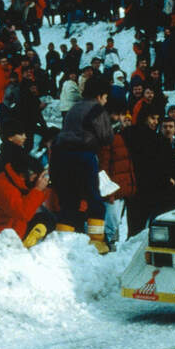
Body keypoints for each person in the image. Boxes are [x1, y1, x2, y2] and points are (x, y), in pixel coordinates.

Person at [50, 74, 114, 253]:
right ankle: (97, 243)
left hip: (61, 156)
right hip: (83, 156)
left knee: (70, 201)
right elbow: (106, 137)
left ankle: (63, 241)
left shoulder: (73, 108)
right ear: (101, 95)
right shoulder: (97, 109)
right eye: (106, 97)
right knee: (94, 199)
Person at [0, 155, 52, 248]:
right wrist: (38, 189)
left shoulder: (13, 181)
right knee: (45, 221)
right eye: (35, 176)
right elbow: (23, 213)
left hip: (8, 229)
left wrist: (44, 189)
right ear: (24, 174)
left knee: (46, 218)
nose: (35, 180)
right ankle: (23, 247)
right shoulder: (4, 187)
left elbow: (32, 204)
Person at [98, 100, 136, 250]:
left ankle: (111, 248)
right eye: (117, 114)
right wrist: (108, 191)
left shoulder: (122, 133)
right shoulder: (106, 135)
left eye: (122, 114)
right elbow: (103, 166)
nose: (120, 117)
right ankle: (107, 250)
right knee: (110, 224)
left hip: (122, 188)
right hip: (111, 190)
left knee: (116, 223)